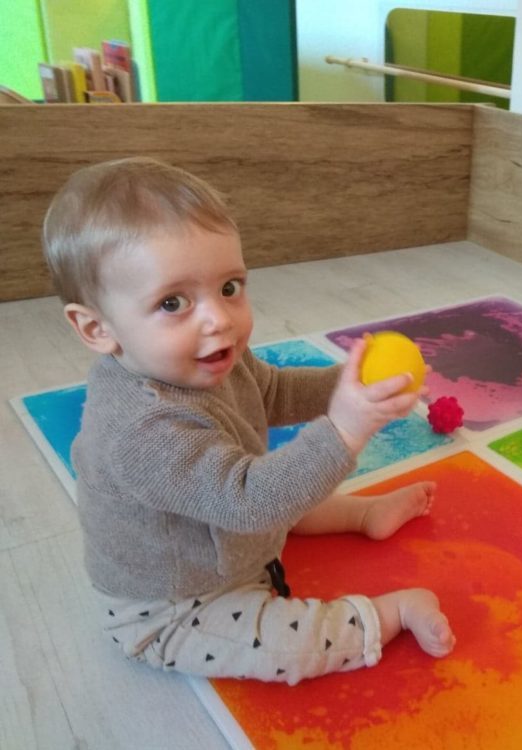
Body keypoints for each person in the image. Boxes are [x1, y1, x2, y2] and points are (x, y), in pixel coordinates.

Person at [41, 156, 455, 684]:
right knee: (284, 645)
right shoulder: (140, 432)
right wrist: (347, 427)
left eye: (229, 287)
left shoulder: (207, 357)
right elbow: (250, 502)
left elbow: (273, 392)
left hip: (227, 523)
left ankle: (361, 515)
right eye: (173, 302)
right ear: (98, 329)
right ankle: (388, 613)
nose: (219, 318)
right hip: (174, 602)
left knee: (286, 489)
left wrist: (345, 386)